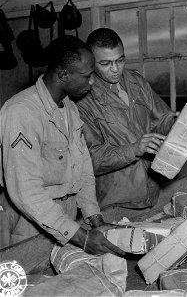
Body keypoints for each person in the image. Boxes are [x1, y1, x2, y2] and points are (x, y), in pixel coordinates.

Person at [0, 35, 125, 257]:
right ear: (64, 75)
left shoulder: (68, 107)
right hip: (28, 221)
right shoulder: (21, 112)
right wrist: (82, 238)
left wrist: (95, 220)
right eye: (87, 76)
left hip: (65, 218)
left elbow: (83, 168)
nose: (92, 82)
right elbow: (26, 192)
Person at [77, 28, 176, 210]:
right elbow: (92, 159)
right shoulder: (83, 98)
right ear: (91, 62)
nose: (115, 70)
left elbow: (161, 120)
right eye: (106, 63)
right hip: (116, 200)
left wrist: (177, 123)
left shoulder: (136, 81)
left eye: (120, 60)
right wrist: (134, 149)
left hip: (151, 191)